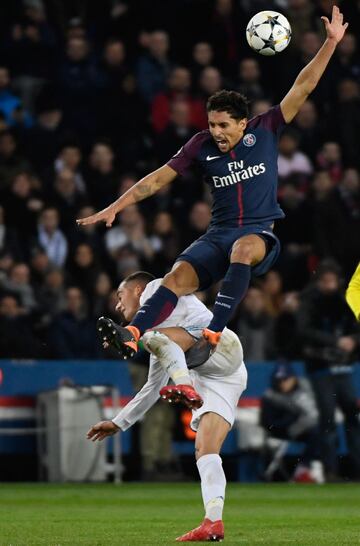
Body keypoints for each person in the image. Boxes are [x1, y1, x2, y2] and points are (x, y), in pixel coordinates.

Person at [77, 7, 348, 366]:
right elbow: (157, 179)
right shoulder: (199, 145)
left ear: (242, 123)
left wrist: (330, 43)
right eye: (212, 124)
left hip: (257, 234)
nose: (216, 132)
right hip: (217, 233)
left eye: (223, 125)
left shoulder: (266, 128)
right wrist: (116, 206)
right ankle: (132, 335)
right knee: (174, 277)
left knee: (242, 248)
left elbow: (305, 85)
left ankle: (212, 334)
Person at [87, 271, 247, 542]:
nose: (117, 304)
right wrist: (118, 423)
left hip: (219, 343)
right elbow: (150, 389)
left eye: (120, 295)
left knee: (149, 338)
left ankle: (183, 385)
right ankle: (213, 521)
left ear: (138, 290)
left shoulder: (155, 288)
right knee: (205, 452)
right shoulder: (161, 339)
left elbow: (175, 284)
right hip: (223, 377)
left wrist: (129, 334)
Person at [297, 260, 360, 480]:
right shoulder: (309, 301)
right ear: (319, 282)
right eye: (325, 282)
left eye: (332, 281)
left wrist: (353, 340)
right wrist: (335, 341)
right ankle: (330, 470)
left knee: (353, 416)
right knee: (328, 419)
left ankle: (356, 468)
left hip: (343, 366)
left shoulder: (346, 299)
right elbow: (303, 330)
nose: (329, 286)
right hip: (320, 367)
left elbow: (357, 325)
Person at [261, 363, 322, 483]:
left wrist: (295, 424)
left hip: (302, 430)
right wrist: (289, 422)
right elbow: (267, 422)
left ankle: (307, 469)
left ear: (293, 378)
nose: (282, 383)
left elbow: (314, 414)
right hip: (279, 432)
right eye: (279, 380)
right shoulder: (270, 396)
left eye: (285, 379)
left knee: (321, 433)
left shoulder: (304, 388)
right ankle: (301, 471)